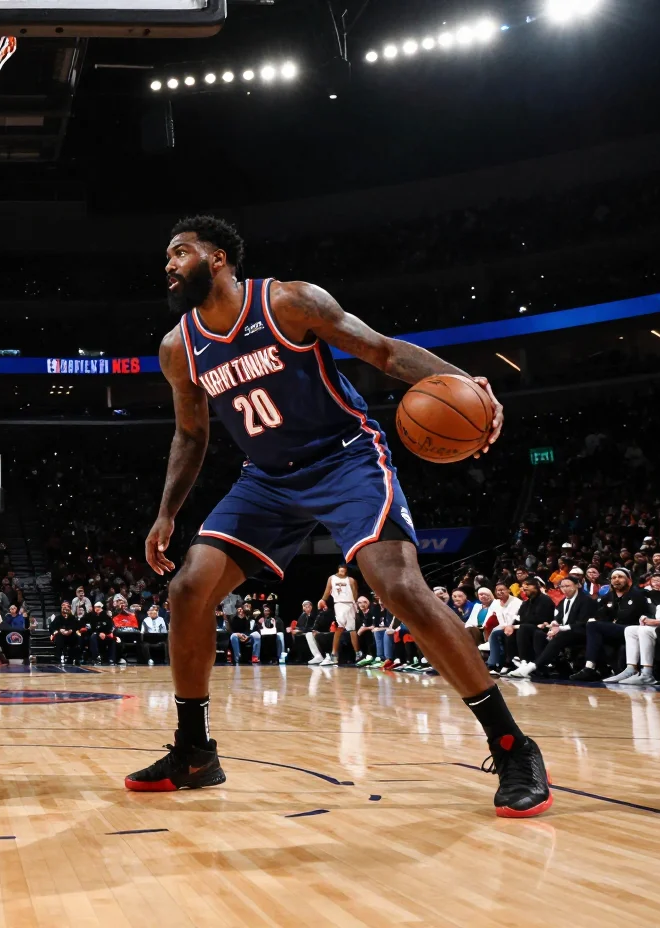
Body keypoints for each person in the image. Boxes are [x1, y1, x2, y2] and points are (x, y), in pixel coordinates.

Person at [127, 215, 550, 818]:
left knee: (398, 586)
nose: (168, 264)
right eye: (167, 256)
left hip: (345, 459)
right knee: (189, 587)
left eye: (180, 252)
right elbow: (191, 436)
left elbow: (384, 352)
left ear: (217, 258)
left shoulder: (288, 302)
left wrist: (466, 384)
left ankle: (512, 746)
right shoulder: (179, 347)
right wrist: (166, 513)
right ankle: (194, 752)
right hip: (266, 479)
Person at [321, 565, 358, 657]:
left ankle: (357, 652)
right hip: (339, 603)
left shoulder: (351, 580)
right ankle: (334, 652)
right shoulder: (332, 578)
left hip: (350, 604)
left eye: (344, 570)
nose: (342, 571)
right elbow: (328, 590)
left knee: (352, 629)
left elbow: (355, 592)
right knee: (340, 627)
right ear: (338, 569)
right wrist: (323, 600)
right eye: (341, 570)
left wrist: (354, 603)